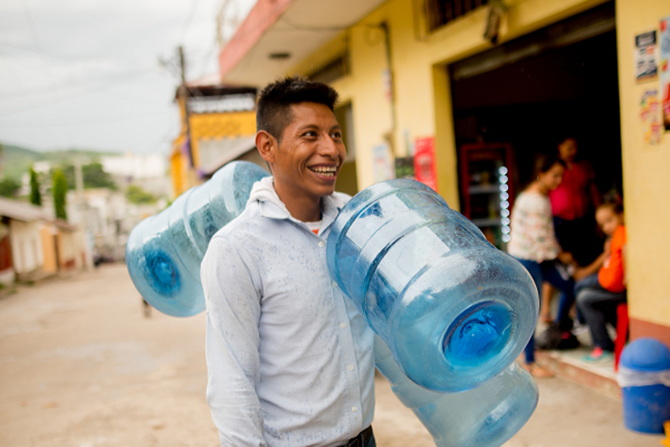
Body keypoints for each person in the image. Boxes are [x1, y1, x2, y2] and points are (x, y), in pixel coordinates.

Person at [200, 77, 376, 446]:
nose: (331, 149)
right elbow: (232, 381)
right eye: (310, 135)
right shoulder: (238, 248)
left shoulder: (360, 225)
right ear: (268, 146)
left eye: (336, 134)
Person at [507, 154, 576, 378]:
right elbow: (540, 239)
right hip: (528, 258)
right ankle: (530, 362)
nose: (558, 181)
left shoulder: (539, 195)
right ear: (542, 173)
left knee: (568, 285)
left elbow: (545, 236)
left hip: (539, 256)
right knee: (531, 309)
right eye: (554, 175)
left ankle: (556, 327)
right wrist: (562, 255)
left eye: (561, 176)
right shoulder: (536, 200)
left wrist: (557, 253)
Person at [541, 136, 602, 323]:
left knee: (579, 263)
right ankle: (546, 311)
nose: (572, 151)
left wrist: (598, 216)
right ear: (559, 148)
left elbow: (592, 190)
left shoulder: (583, 167)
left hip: (582, 220)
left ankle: (577, 307)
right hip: (559, 223)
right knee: (558, 267)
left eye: (574, 147)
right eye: (568, 147)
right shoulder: (554, 170)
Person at [574, 200, 627, 362]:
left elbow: (625, 255)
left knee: (583, 293)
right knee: (581, 290)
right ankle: (597, 338)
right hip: (611, 282)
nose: (607, 227)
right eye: (603, 225)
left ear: (621, 215)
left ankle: (600, 342)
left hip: (619, 287)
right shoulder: (615, 237)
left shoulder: (622, 234)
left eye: (609, 221)